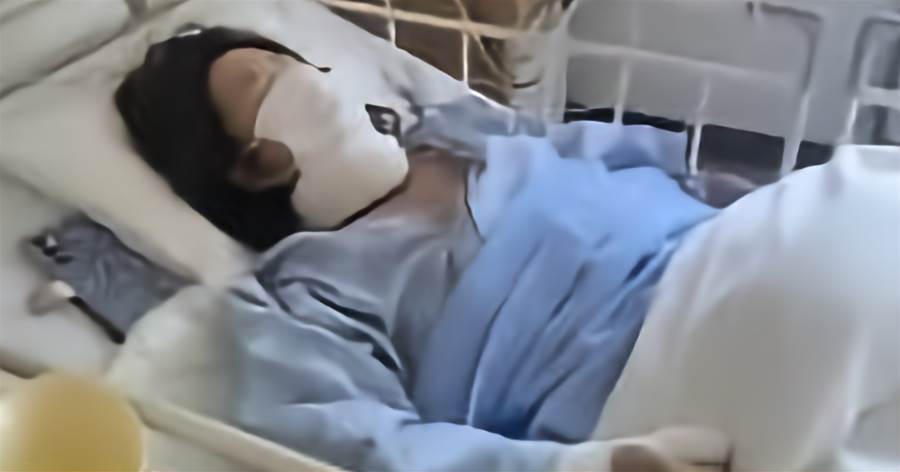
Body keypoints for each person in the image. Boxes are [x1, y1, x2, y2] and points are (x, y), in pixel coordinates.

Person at [113, 26, 899, 471]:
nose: (312, 74)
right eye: (265, 82)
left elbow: (610, 156)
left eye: (289, 57)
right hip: (659, 368)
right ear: (251, 164)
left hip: (740, 243)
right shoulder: (304, 295)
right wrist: (581, 466)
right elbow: (355, 442)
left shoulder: (456, 132)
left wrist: (735, 193)